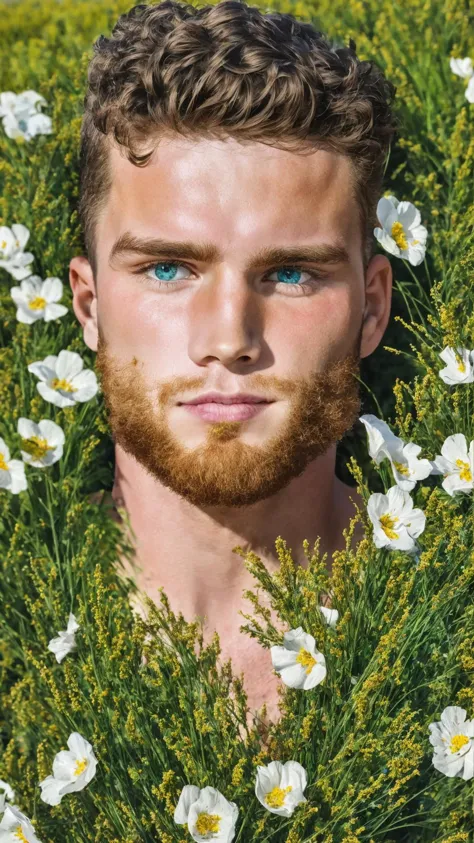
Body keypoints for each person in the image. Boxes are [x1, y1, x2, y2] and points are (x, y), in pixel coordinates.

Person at [69, 0, 394, 730]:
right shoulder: (20, 616)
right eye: (166, 269)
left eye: (290, 274)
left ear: (372, 309)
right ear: (89, 305)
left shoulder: (450, 611)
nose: (228, 337)